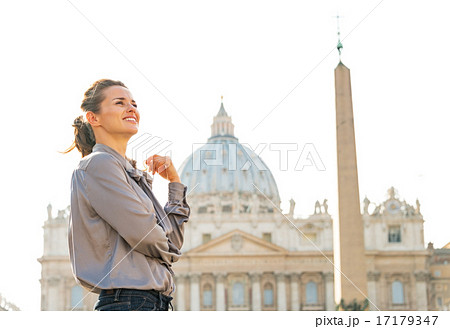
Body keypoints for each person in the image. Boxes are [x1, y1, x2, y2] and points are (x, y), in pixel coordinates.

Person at [63, 79, 190, 311]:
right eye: (120, 102)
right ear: (94, 118)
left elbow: (172, 242)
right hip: (130, 303)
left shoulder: (129, 173)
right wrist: (169, 250)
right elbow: (150, 237)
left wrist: (175, 183)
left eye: (134, 103)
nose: (131, 108)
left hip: (151, 302)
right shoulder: (99, 164)